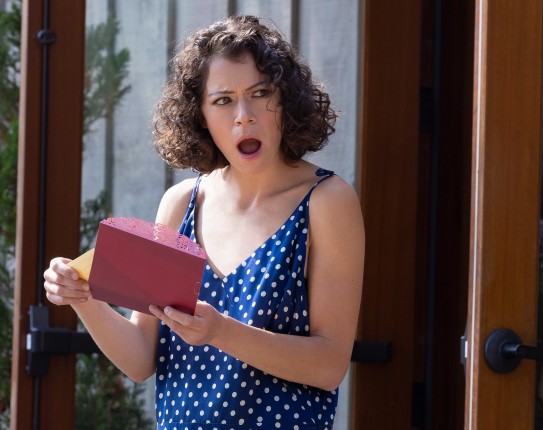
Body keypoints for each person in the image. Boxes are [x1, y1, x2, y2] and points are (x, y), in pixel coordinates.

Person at [43, 15, 364, 430]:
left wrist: (221, 332)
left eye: (260, 93)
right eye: (223, 100)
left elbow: (329, 365)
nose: (244, 115)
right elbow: (141, 359)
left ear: (286, 100)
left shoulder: (327, 200)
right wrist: (83, 298)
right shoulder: (180, 205)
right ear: (200, 116)